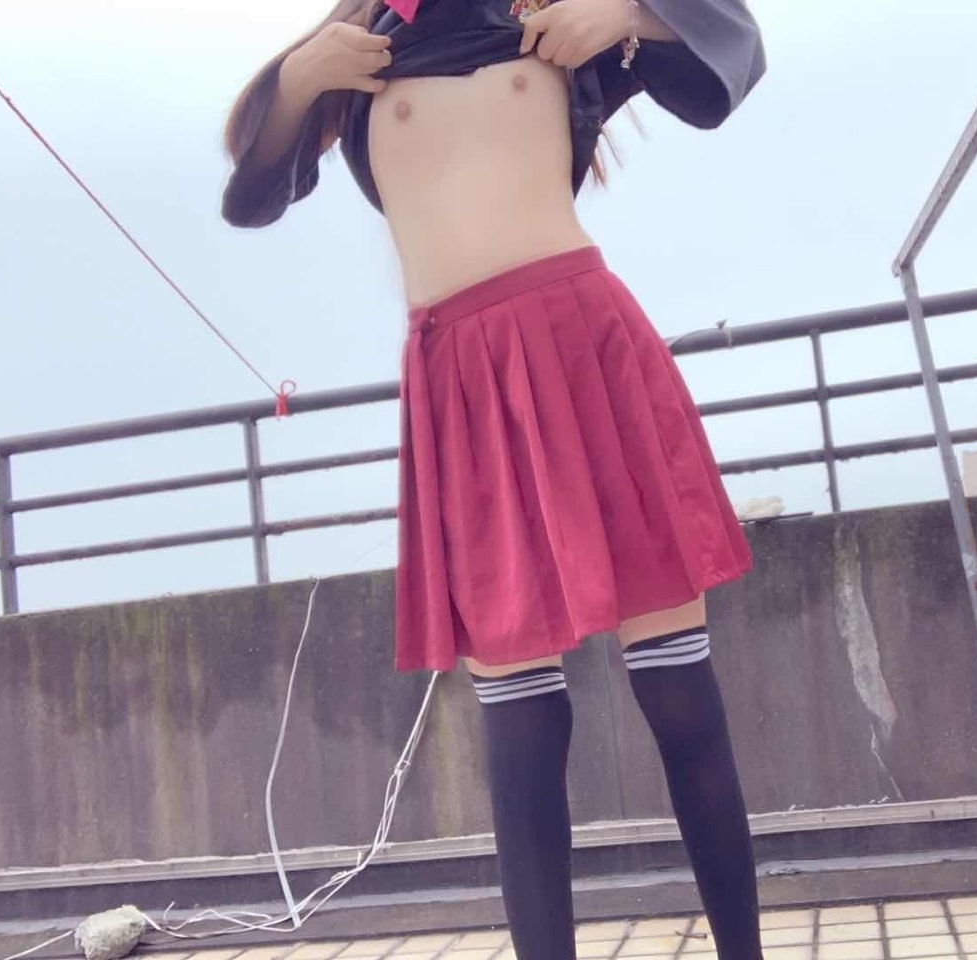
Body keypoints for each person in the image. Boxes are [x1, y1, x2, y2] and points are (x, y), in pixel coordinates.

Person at [221, 1, 766, 957]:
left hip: (587, 349)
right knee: (521, 731)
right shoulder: (360, 47)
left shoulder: (545, 11)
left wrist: (626, 14)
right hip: (464, 385)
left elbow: (735, 44)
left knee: (678, 690)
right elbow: (254, 192)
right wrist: (303, 76)